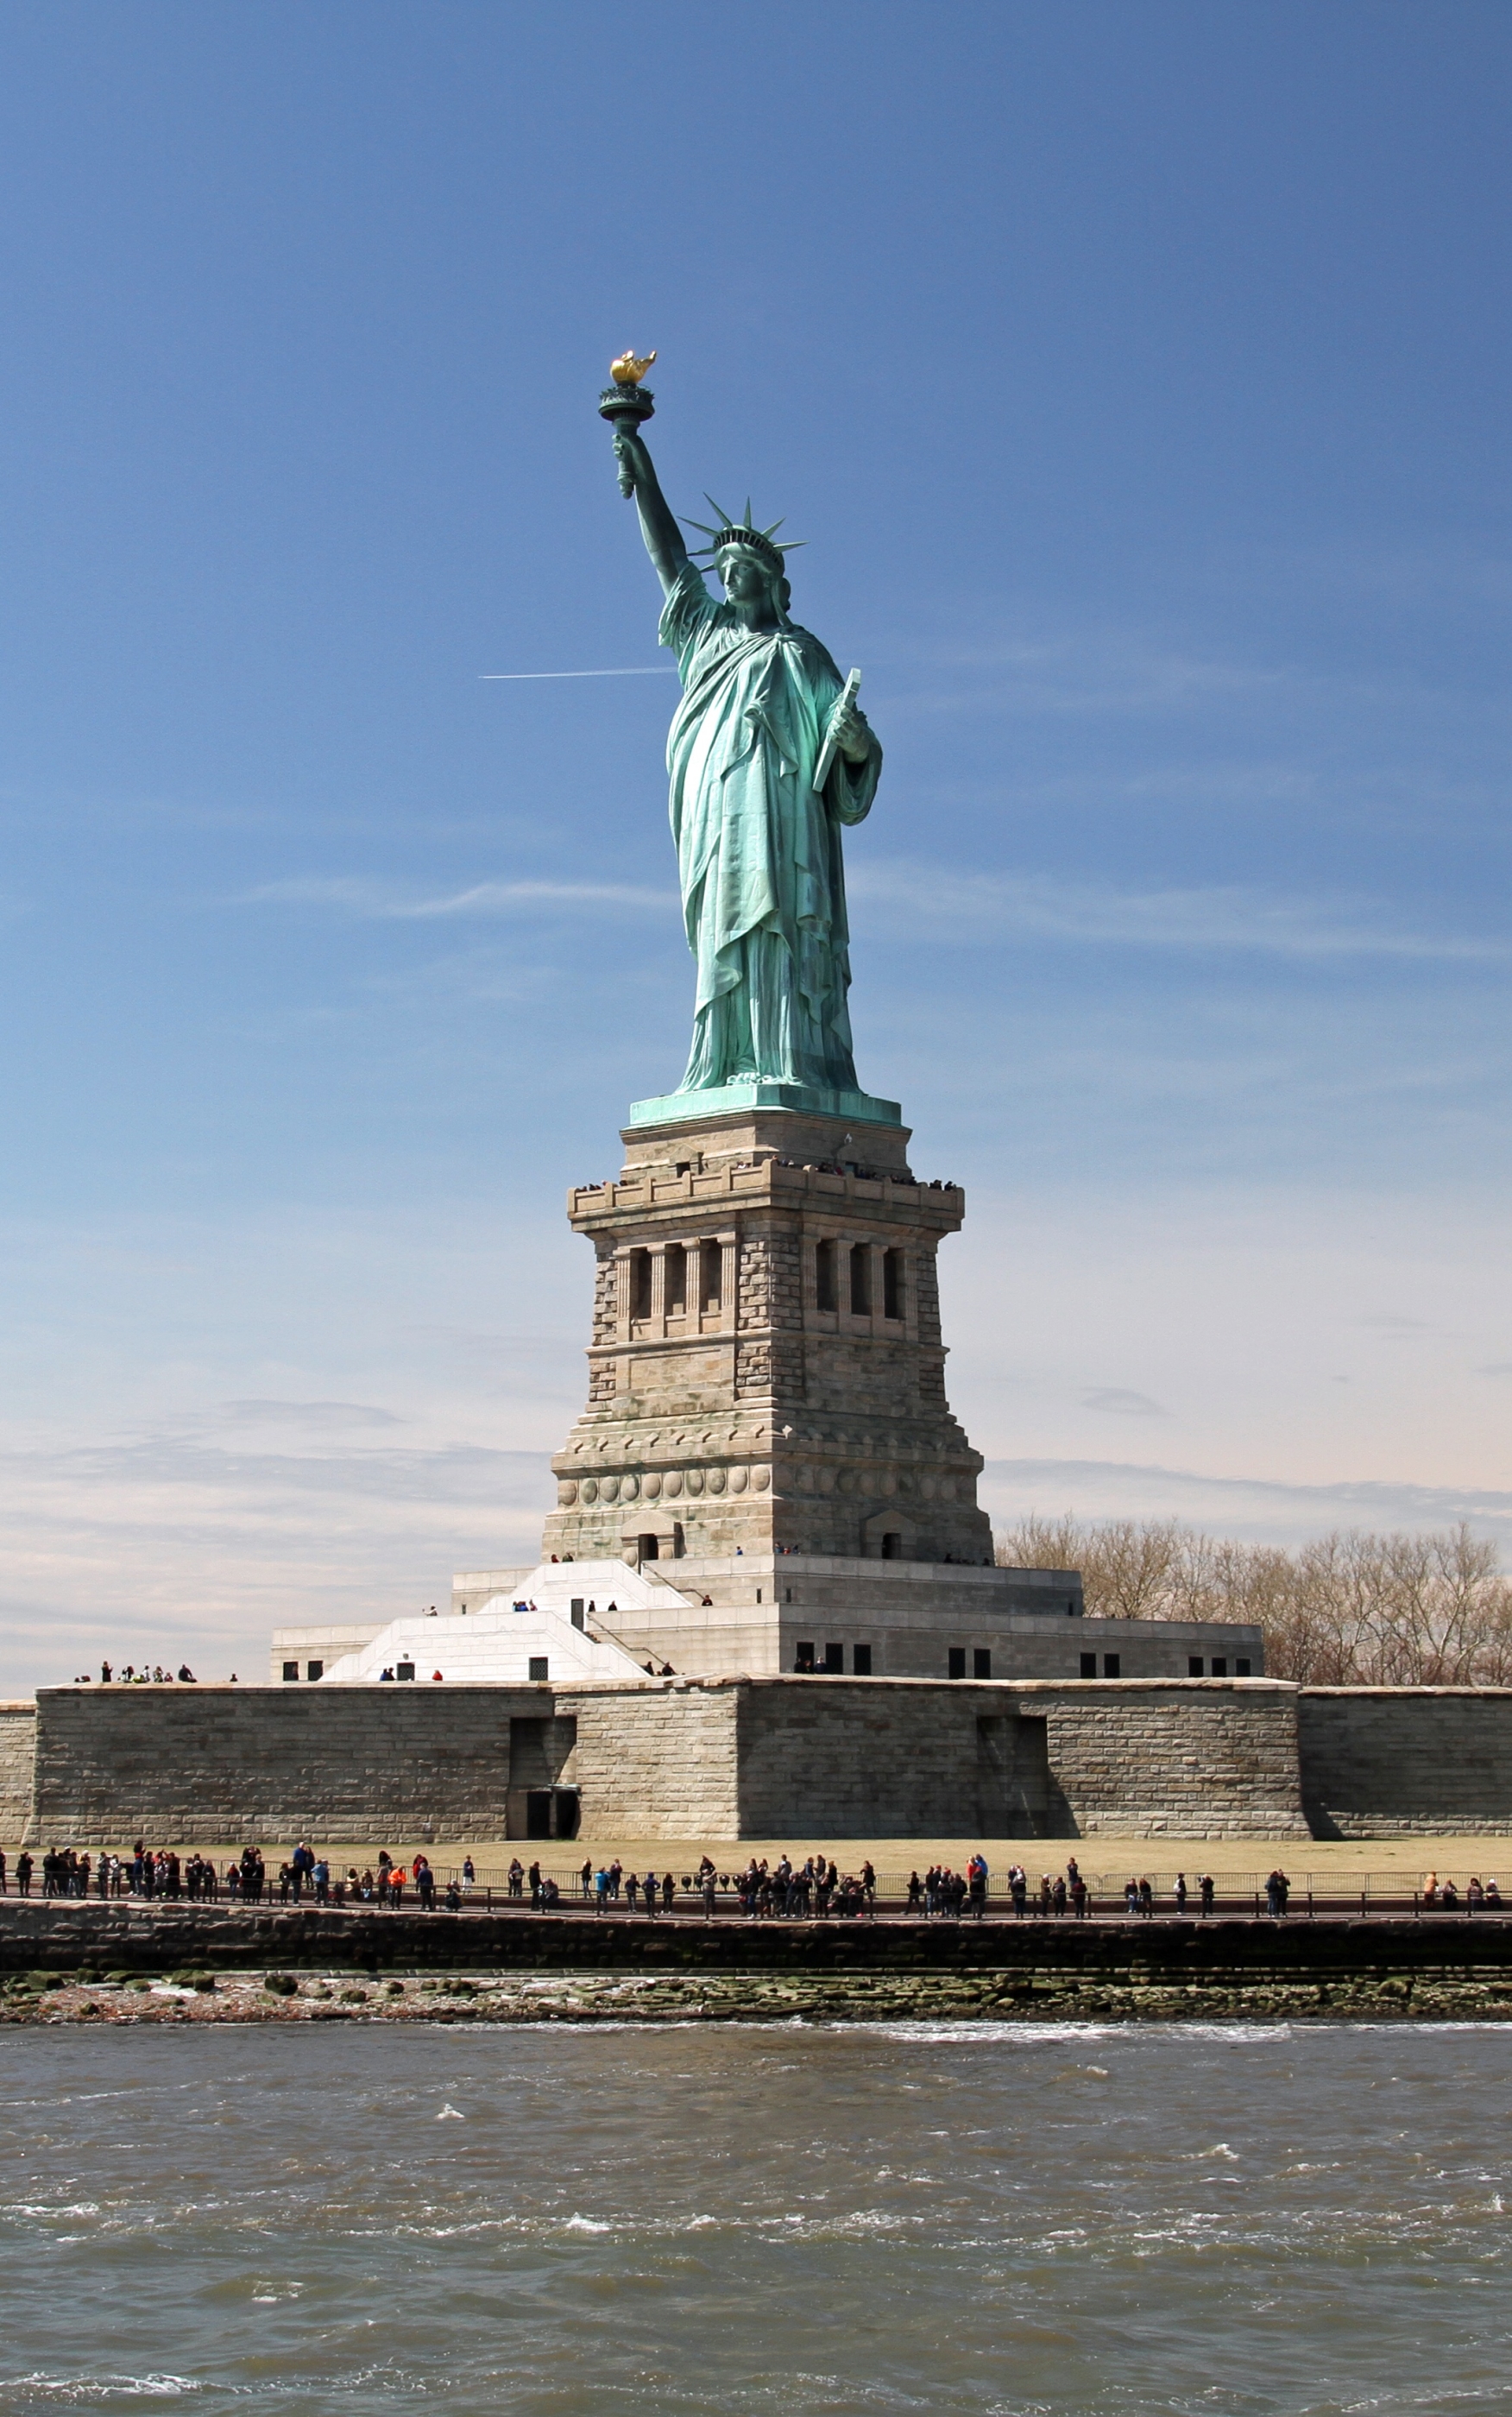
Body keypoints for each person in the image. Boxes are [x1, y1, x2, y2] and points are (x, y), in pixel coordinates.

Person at [609, 419, 883, 1101]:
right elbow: (669, 559)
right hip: (718, 810)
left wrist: (851, 742)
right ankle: (723, 1060)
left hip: (785, 820)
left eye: (743, 575)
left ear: (772, 584)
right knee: (724, 925)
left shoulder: (800, 654)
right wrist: (642, 470)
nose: (730, 584)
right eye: (724, 574)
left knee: (782, 927)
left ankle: (792, 1059)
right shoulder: (705, 635)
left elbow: (852, 750)